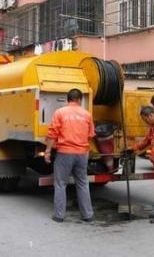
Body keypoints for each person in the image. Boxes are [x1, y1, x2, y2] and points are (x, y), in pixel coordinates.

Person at [44, 88, 95, 223]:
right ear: (80, 100)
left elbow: (52, 134)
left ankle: (59, 215)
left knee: (61, 183)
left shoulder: (60, 112)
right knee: (83, 183)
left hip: (65, 153)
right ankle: (88, 215)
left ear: (68, 100)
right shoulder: (87, 114)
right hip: (82, 153)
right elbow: (90, 135)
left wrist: (48, 151)